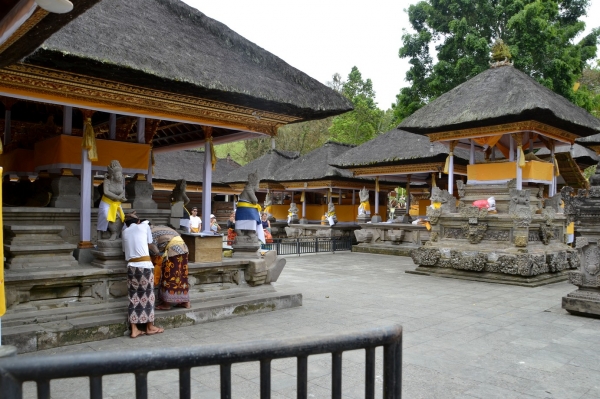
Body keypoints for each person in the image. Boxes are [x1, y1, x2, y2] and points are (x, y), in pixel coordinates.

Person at [122, 212, 164, 338]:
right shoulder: (144, 226)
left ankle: (134, 329)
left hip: (131, 267)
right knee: (149, 296)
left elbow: (125, 250)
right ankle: (150, 326)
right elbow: (149, 242)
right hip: (145, 266)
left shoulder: (124, 232)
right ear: (138, 221)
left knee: (133, 296)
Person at [149, 225, 191, 310]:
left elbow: (154, 250)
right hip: (183, 249)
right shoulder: (160, 227)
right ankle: (186, 302)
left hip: (173, 251)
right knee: (181, 277)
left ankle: (167, 304)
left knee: (169, 276)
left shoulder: (151, 232)